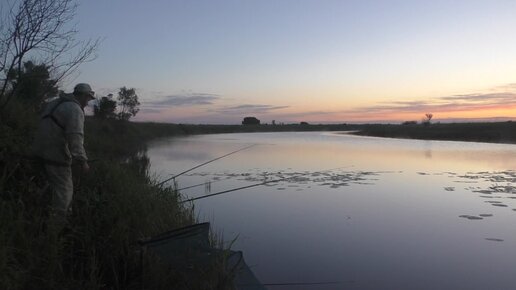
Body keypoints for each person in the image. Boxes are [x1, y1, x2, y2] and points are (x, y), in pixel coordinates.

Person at [32, 83, 95, 217]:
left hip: (37, 151)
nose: (87, 102)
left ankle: (37, 212)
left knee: (45, 184)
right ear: (83, 95)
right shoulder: (75, 109)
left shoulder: (53, 103)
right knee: (64, 190)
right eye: (88, 99)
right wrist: (82, 161)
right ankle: (56, 226)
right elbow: (75, 137)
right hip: (56, 156)